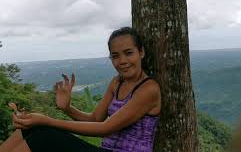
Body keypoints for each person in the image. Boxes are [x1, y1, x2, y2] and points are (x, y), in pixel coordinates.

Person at [0, 27, 161, 152]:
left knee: (44, 137)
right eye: (115, 56)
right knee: (32, 129)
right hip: (105, 150)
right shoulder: (117, 82)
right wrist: (67, 108)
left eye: (128, 53)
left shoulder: (148, 89)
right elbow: (96, 119)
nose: (122, 61)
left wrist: (47, 121)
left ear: (141, 52)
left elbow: (106, 128)